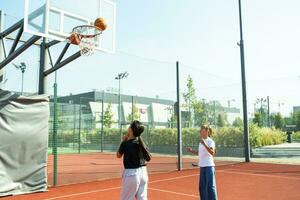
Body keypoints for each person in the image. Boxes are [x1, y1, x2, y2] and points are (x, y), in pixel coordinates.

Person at [117, 120, 151, 200]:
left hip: (131, 174)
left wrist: (123, 141)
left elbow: (118, 155)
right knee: (142, 198)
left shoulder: (125, 143)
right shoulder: (141, 143)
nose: (128, 127)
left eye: (129, 126)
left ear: (131, 130)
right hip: (143, 174)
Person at [186, 125, 218, 200]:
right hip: (202, 167)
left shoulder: (210, 141)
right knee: (202, 187)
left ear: (207, 132)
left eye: (203, 131)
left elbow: (212, 152)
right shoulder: (201, 142)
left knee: (210, 186)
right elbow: (199, 153)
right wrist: (191, 151)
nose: (201, 133)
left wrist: (204, 144)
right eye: (201, 131)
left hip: (209, 167)